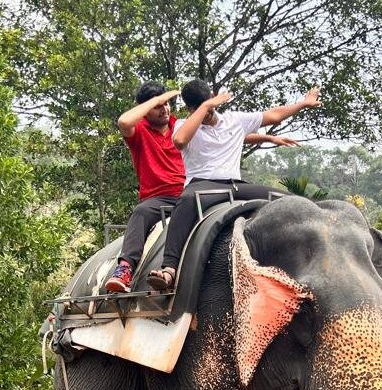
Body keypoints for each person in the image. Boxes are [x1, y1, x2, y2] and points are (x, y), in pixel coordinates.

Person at [107, 81, 298, 293]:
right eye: (158, 106)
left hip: (204, 191)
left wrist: (268, 138)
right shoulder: (140, 131)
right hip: (163, 197)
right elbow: (125, 121)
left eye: (167, 104)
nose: (164, 109)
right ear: (145, 109)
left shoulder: (179, 123)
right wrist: (160, 98)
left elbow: (226, 133)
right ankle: (126, 268)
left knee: (286, 200)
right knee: (142, 212)